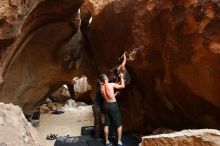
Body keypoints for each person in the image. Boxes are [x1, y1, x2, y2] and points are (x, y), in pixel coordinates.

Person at [98, 73, 125, 146]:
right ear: (105, 79)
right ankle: (119, 142)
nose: (107, 77)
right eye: (106, 76)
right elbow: (123, 86)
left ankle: (107, 141)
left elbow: (109, 94)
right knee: (119, 124)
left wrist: (115, 94)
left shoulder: (101, 87)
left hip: (106, 105)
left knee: (106, 124)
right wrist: (122, 77)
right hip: (113, 105)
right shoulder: (111, 85)